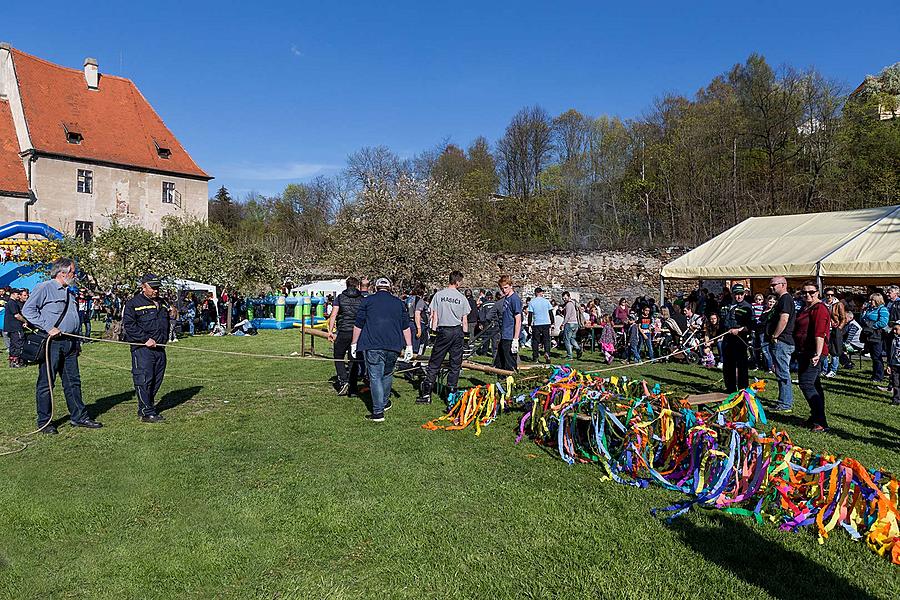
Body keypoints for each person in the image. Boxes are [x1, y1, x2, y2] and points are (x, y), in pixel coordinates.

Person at [21, 257, 102, 433]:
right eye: (73, 271)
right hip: (53, 344)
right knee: (46, 383)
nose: (75, 275)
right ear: (62, 272)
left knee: (73, 382)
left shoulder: (69, 291)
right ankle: (45, 421)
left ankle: (79, 416)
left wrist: (78, 341)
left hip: (71, 343)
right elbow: (28, 310)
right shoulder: (45, 287)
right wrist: (48, 327)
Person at [350, 278, 413, 422]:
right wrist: (409, 346)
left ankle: (378, 412)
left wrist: (354, 343)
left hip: (373, 344)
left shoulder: (367, 301)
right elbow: (405, 326)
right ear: (390, 288)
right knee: (387, 374)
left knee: (375, 377)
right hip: (394, 345)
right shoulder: (399, 303)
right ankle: (383, 403)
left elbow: (358, 324)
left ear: (376, 287)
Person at [122, 274, 170, 423]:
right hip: (142, 349)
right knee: (144, 379)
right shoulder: (133, 303)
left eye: (157, 288)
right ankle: (146, 412)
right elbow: (129, 325)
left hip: (160, 348)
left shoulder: (162, 303)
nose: (156, 291)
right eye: (152, 288)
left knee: (157, 379)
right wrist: (145, 339)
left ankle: (147, 405)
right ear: (143, 286)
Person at [417, 271, 469, 404]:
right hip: (457, 331)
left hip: (443, 330)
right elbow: (464, 320)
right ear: (457, 282)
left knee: (435, 362)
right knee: (455, 364)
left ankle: (426, 394)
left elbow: (434, 317)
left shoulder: (439, 295)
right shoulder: (462, 298)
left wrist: (433, 334)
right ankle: (451, 395)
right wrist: (466, 338)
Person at [793, 282, 831, 431]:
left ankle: (821, 421)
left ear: (818, 292)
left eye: (811, 292)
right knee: (815, 385)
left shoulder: (819, 308)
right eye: (804, 293)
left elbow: (819, 332)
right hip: (804, 351)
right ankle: (815, 417)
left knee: (806, 384)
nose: (807, 295)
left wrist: (817, 353)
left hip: (813, 352)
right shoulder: (805, 308)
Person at [327, 277, 364, 396]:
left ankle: (343, 380)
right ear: (357, 285)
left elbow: (333, 315)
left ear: (346, 285)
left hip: (343, 330)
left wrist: (330, 331)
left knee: (338, 356)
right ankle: (353, 388)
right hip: (357, 332)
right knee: (353, 359)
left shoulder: (340, 298)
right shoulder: (362, 299)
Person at [767, 277, 797, 413]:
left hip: (783, 341)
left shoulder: (785, 299)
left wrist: (775, 335)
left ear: (783, 285)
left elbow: (784, 319)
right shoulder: (782, 299)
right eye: (771, 285)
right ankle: (783, 401)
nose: (771, 287)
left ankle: (785, 403)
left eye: (774, 285)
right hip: (781, 341)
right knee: (780, 371)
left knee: (783, 372)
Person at [719, 284, 754, 393]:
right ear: (732, 294)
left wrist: (738, 330)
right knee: (728, 364)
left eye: (741, 294)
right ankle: (730, 388)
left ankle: (743, 389)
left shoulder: (747, 307)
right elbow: (721, 320)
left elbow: (750, 325)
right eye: (736, 294)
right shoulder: (726, 304)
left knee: (741, 365)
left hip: (740, 339)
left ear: (744, 294)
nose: (739, 297)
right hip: (727, 338)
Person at [494, 275, 522, 372]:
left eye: (506, 288)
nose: (504, 290)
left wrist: (515, 339)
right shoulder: (507, 298)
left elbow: (518, 319)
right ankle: (501, 382)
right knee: (500, 362)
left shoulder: (515, 299)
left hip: (510, 335)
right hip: (504, 333)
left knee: (509, 363)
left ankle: (511, 383)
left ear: (511, 286)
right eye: (502, 288)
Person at [861, 293, 890, 383]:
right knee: (873, 356)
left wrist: (872, 326)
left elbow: (883, 322)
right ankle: (874, 374)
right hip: (869, 335)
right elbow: (863, 319)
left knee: (877, 356)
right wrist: (863, 312)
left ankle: (879, 376)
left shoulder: (882, 309)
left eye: (872, 300)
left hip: (877, 335)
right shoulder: (869, 309)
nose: (870, 302)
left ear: (877, 300)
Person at [527, 287, 554, 363]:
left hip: (537, 323)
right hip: (546, 322)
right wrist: (552, 323)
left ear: (535, 293)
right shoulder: (546, 301)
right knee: (547, 340)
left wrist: (529, 325)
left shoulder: (532, 302)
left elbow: (530, 315)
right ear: (541, 293)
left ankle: (535, 357)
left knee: (535, 340)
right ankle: (547, 353)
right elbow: (551, 313)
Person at [4, 288, 27, 368]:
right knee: (19, 344)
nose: (18, 296)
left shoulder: (9, 303)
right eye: (17, 294)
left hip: (10, 327)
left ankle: (12, 362)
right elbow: (16, 315)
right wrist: (24, 321)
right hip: (15, 327)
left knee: (13, 345)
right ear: (13, 294)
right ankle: (17, 362)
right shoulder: (12, 303)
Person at [824, 300, 847, 378]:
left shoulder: (838, 304)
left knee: (835, 351)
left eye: (831, 295)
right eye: (827, 295)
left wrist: (839, 328)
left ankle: (833, 370)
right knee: (825, 351)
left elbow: (843, 318)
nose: (829, 297)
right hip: (825, 330)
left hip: (835, 330)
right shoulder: (822, 303)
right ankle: (824, 369)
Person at [559, 291, 583, 360]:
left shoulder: (569, 304)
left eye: (565, 298)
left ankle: (570, 355)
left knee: (566, 339)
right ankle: (578, 349)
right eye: (563, 298)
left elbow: (567, 315)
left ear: (569, 297)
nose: (564, 299)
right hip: (575, 323)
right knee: (571, 338)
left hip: (570, 323)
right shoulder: (573, 303)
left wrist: (563, 324)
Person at [884, 320, 900, 405]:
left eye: (896, 329)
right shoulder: (892, 339)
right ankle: (896, 400)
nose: (894, 331)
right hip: (895, 364)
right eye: (893, 329)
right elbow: (890, 353)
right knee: (896, 383)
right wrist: (889, 365)